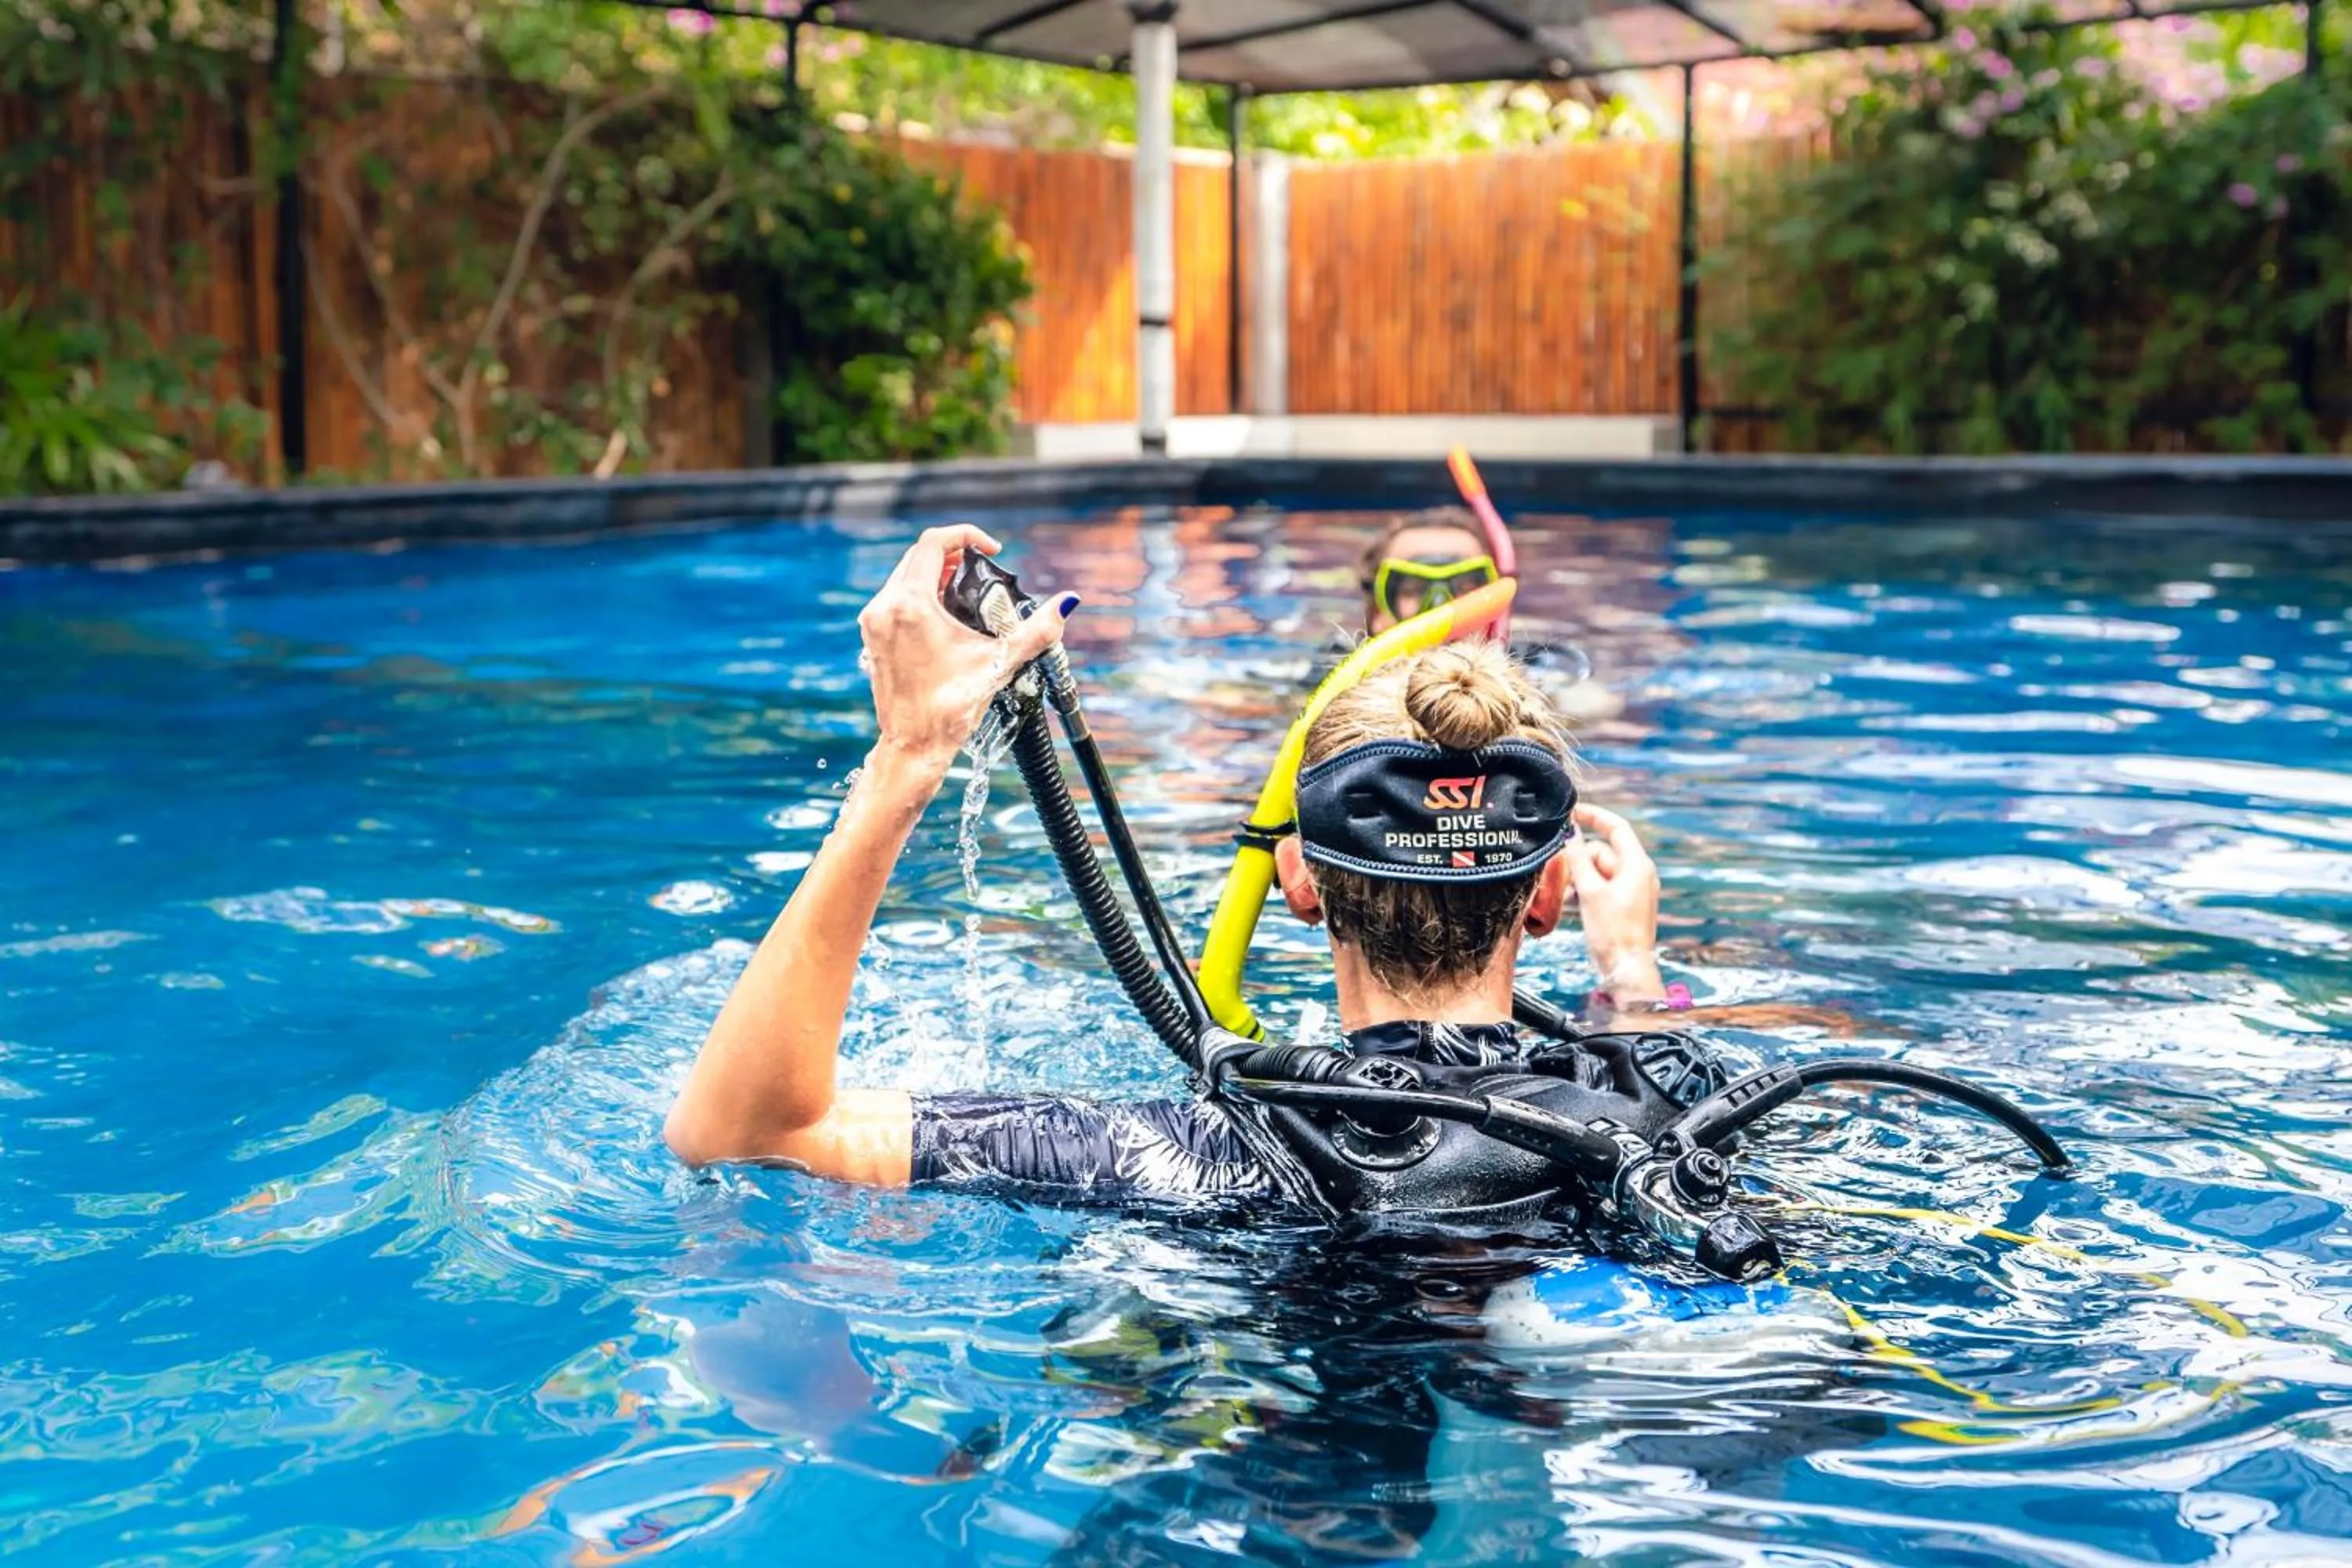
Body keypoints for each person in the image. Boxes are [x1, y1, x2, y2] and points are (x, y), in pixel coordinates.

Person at [663, 525, 1701, 1207]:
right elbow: (1650, 1071)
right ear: (1551, 892)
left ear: (1299, 882)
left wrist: (907, 757)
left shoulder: (1208, 1153)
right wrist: (1634, 981)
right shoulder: (1665, 1105)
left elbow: (743, 1133)